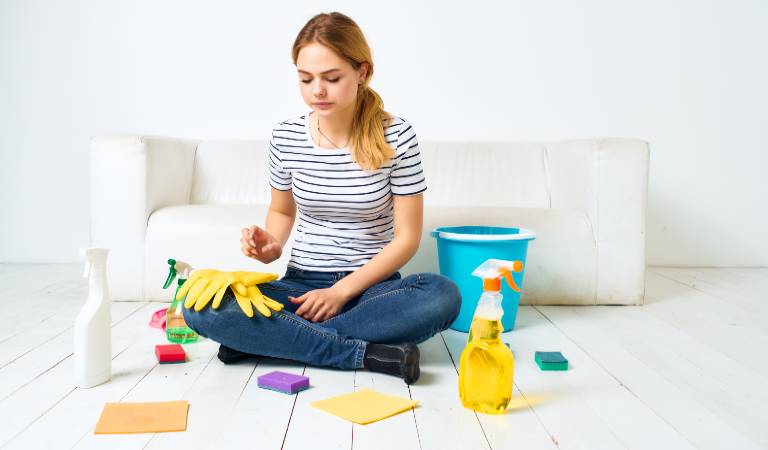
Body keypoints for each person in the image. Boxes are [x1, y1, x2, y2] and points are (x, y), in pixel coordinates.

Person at [183, 11, 461, 384]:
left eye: (332, 78)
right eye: (305, 79)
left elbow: (407, 238)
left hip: (371, 292)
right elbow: (281, 211)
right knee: (199, 306)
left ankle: (268, 342)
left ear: (362, 72)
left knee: (442, 295)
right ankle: (366, 354)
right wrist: (270, 244)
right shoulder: (286, 137)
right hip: (300, 288)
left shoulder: (397, 136)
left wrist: (341, 291)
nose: (317, 91)